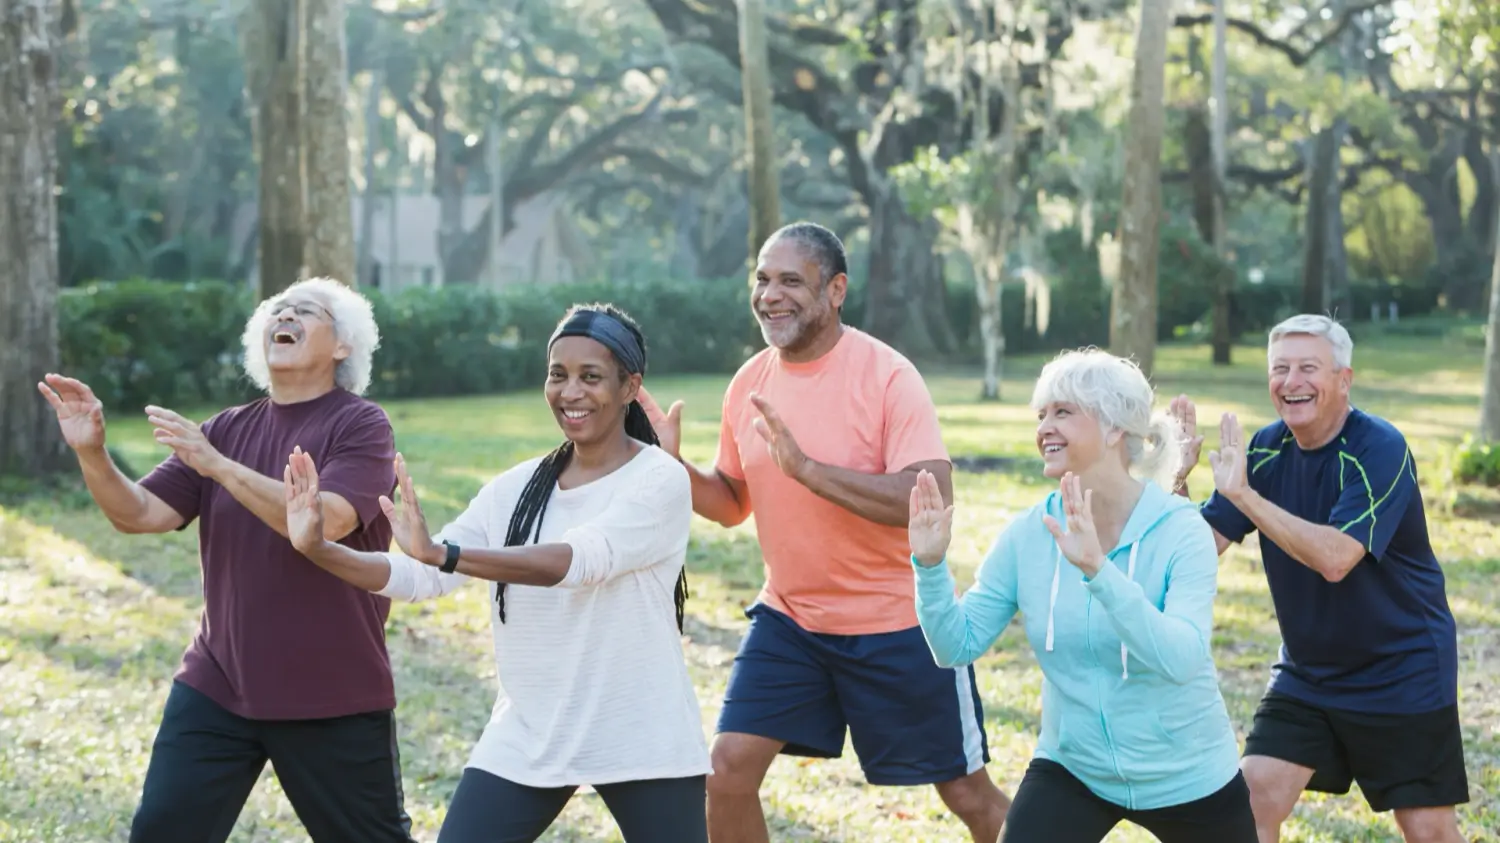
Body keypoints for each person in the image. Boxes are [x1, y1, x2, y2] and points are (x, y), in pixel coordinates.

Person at [281, 303, 710, 843]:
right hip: (531, 731)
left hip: (639, 731)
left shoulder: (659, 480)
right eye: (558, 375)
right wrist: (318, 548)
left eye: (591, 377)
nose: (570, 392)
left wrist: (444, 553)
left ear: (630, 387)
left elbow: (580, 561)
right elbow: (420, 577)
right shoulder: (517, 488)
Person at [639, 222, 1010, 843]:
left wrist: (809, 471)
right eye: (761, 279)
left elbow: (932, 499)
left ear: (835, 289)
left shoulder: (888, 376)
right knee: (725, 771)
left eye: (790, 280)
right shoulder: (748, 384)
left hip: (900, 622)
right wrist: (673, 470)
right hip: (794, 622)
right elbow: (733, 504)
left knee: (967, 792)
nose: (769, 295)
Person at [36, 277, 413, 843]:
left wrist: (218, 466)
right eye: (278, 310)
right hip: (218, 682)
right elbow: (137, 514)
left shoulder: (359, 424)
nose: (284, 316)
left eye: (305, 311)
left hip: (329, 689)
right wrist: (92, 452)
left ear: (343, 347)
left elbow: (321, 522)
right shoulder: (227, 428)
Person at [907, 348, 1258, 843]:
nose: (1045, 427)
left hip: (1188, 774)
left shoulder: (1181, 531)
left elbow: (1181, 658)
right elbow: (955, 645)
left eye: (1063, 411)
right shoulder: (1030, 533)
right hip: (1075, 768)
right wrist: (929, 565)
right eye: (1041, 414)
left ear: (1116, 429)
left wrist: (1099, 571)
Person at [1175, 314, 1468, 843]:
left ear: (1343, 380)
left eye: (1308, 368)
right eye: (1279, 369)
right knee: (1250, 803)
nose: (1292, 383)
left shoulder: (1379, 449)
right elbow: (1193, 553)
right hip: (1309, 672)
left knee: (1428, 830)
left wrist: (1244, 496)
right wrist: (1176, 476)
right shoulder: (1263, 449)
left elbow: (1336, 558)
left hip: (1401, 667)